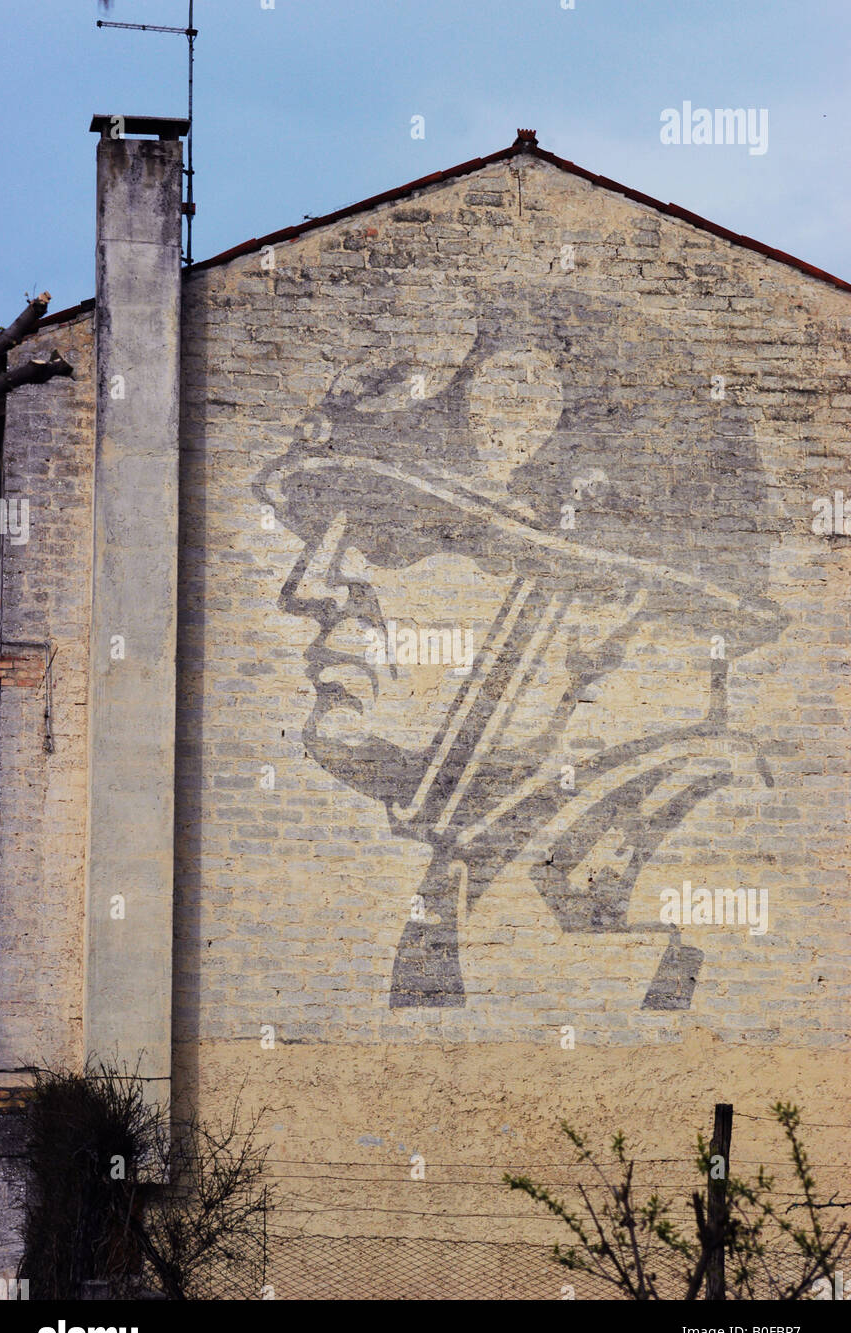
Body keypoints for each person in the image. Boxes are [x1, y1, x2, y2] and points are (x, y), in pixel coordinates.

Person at [255, 287, 785, 1011]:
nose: (312, 585)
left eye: (385, 538)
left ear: (597, 611)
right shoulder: (505, 859)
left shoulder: (677, 865)